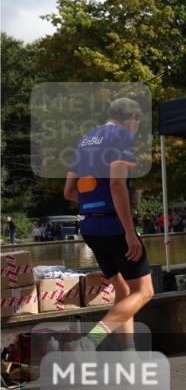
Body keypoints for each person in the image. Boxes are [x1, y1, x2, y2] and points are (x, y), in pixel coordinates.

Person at [62, 97, 153, 351]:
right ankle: (88, 343)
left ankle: (129, 353)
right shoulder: (121, 138)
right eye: (139, 122)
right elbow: (116, 184)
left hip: (90, 227)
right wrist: (130, 232)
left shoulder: (84, 141)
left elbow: (68, 191)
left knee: (123, 290)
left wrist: (94, 199)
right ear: (132, 117)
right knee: (145, 292)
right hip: (114, 226)